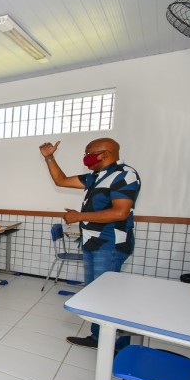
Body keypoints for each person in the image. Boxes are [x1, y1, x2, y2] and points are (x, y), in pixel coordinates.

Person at [39, 138, 141, 349]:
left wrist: (79, 216)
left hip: (110, 243)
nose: (86, 158)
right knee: (94, 292)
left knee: (106, 294)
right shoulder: (96, 177)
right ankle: (97, 338)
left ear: (106, 153)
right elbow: (62, 181)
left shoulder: (124, 175)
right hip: (92, 242)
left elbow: (120, 212)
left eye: (89, 153)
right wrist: (49, 158)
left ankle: (116, 344)